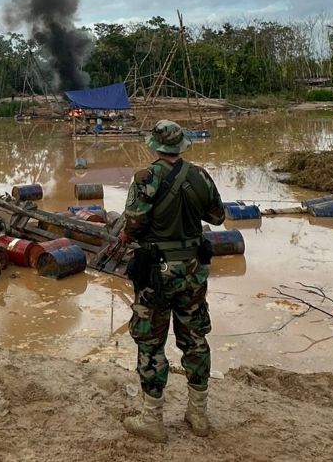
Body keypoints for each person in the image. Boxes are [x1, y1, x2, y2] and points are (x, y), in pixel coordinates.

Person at [120, 119, 225, 443]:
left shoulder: (144, 178)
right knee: (194, 338)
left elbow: (134, 225)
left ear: (153, 146)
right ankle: (198, 415)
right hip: (193, 271)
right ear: (181, 147)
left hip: (156, 273)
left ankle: (152, 419)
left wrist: (127, 234)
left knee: (151, 342)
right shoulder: (200, 176)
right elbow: (218, 217)